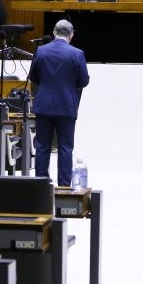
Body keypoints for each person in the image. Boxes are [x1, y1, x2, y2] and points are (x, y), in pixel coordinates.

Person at [29, 19, 90, 187]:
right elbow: (84, 81)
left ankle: (40, 184)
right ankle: (63, 185)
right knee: (65, 147)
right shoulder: (77, 54)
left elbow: (33, 77)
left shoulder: (41, 51)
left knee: (42, 146)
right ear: (71, 35)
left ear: (54, 32)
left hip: (44, 105)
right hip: (66, 106)